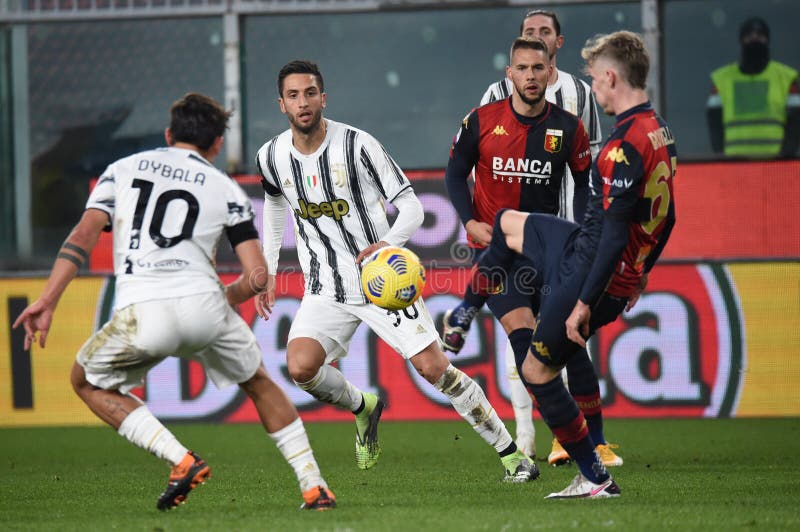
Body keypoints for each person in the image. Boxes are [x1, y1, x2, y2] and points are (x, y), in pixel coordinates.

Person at [13, 93, 336, 511]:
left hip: (143, 311)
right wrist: (225, 297)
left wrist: (48, 300)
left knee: (84, 380)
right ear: (217, 144)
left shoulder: (120, 172)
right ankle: (314, 487)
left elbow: (81, 238)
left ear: (169, 135)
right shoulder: (227, 189)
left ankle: (180, 459)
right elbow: (257, 276)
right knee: (258, 383)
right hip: (206, 308)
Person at [254, 59, 537, 483]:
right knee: (300, 368)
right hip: (325, 286)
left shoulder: (357, 145)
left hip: (382, 282)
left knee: (434, 369)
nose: (303, 102)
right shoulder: (271, 155)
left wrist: (387, 246)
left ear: (323, 97)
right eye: (293, 96)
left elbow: (412, 207)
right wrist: (269, 269)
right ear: (282, 104)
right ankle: (363, 408)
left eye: (310, 93)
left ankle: (513, 455)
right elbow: (276, 204)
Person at [447, 30, 677, 498]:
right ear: (509, 73)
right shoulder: (660, 131)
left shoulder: (600, 141)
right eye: (523, 68)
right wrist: (644, 267)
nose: (591, 86)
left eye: (593, 78)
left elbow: (610, 230)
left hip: (581, 266)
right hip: (542, 254)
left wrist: (586, 300)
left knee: (542, 367)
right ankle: (465, 311)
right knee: (509, 227)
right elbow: (667, 214)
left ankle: (593, 470)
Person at [470, 9, 619, 468]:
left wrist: (580, 234)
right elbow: (476, 160)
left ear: (558, 46)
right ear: (513, 62)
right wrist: (477, 220)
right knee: (527, 343)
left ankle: (591, 441)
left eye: (544, 35)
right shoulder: (493, 98)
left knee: (569, 338)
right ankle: (529, 438)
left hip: (559, 236)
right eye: (528, 35)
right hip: (511, 238)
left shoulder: (578, 94)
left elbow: (587, 169)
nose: (536, 40)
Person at [707, 16, 800, 158]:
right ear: (741, 40)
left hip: (776, 169)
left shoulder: (786, 78)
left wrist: (786, 157)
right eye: (749, 35)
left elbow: (796, 123)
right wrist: (721, 159)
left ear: (767, 40)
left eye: (760, 35)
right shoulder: (722, 80)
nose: (755, 39)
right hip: (734, 167)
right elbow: (714, 125)